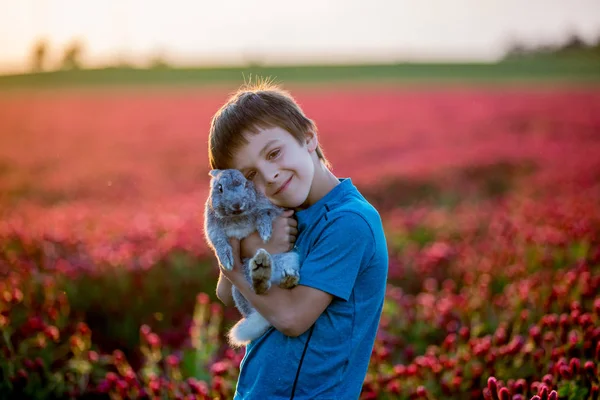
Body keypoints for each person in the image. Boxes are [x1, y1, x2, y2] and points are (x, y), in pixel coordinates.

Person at [207, 80, 388, 400]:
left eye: (274, 153)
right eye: (249, 176)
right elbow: (224, 293)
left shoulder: (350, 222)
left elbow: (293, 318)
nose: (270, 175)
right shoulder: (278, 215)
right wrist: (256, 248)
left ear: (308, 136)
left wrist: (239, 262)